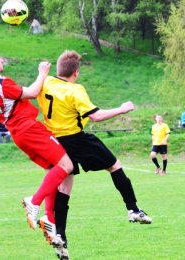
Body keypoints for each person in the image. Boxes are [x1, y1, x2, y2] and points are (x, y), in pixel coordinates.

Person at [37, 50, 152, 259]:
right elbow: (97, 116)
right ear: (76, 72)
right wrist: (121, 109)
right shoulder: (75, 90)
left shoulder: (45, 83)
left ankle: (60, 235)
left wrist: (41, 74)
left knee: (65, 186)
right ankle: (133, 209)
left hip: (55, 143)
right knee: (115, 166)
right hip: (76, 139)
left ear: (59, 68)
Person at [0, 46, 73, 233]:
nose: (1, 61)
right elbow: (32, 93)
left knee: (54, 170)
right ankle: (34, 201)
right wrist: (42, 73)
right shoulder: (1, 83)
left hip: (17, 132)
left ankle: (49, 218)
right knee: (67, 166)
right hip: (28, 127)